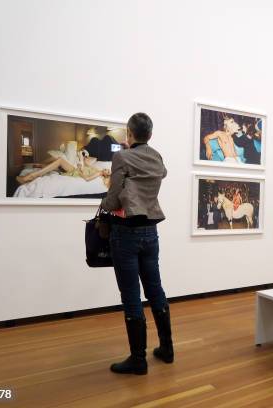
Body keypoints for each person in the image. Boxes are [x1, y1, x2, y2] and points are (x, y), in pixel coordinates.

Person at [101, 112, 173, 375]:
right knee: (155, 289)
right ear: (150, 135)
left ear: (130, 134)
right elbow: (161, 173)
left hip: (126, 233)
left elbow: (112, 200)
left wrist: (110, 201)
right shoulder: (156, 157)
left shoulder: (121, 157)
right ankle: (167, 349)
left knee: (131, 294)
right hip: (150, 232)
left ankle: (138, 359)